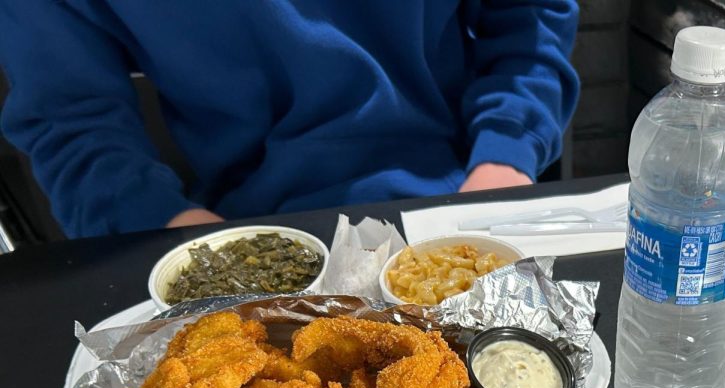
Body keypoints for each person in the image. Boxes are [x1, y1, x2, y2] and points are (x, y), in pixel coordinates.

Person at [0, 1, 579, 238]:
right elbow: (70, 119)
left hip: (458, 199)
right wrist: (191, 239)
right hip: (235, 224)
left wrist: (507, 153)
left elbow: (527, 14)